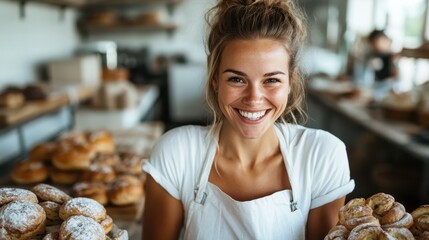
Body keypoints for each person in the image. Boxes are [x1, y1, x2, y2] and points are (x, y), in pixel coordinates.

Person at [142, 0, 355, 239]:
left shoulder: (322, 156)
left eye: (271, 80)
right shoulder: (176, 153)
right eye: (237, 79)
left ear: (291, 81)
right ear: (215, 80)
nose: (254, 98)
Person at [366, 29, 400, 101]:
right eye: (372, 43)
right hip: (376, 90)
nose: (374, 46)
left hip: (387, 93)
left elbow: (396, 77)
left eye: (375, 42)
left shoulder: (392, 57)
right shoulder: (374, 55)